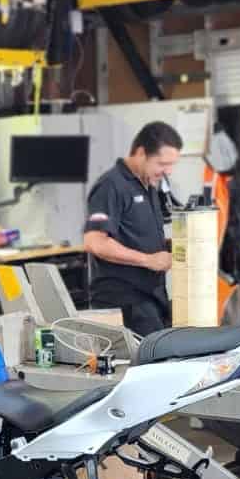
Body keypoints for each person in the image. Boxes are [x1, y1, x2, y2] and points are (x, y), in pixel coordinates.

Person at [83, 122, 180, 336]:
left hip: (151, 299)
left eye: (172, 165)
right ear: (141, 152)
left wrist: (172, 246)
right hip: (125, 303)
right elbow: (95, 242)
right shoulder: (111, 186)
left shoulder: (148, 185)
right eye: (162, 163)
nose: (167, 172)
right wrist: (149, 260)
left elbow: (135, 236)